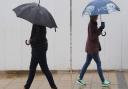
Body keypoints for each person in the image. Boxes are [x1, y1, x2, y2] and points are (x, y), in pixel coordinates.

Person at [76, 15, 110, 87]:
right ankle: (103, 81)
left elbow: (95, 34)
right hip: (93, 48)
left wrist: (100, 29)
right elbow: (92, 37)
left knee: (87, 63)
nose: (97, 17)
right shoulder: (91, 24)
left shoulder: (93, 23)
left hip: (90, 47)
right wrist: (101, 28)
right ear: (93, 17)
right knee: (98, 63)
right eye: (96, 16)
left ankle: (79, 79)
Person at [24, 24, 57, 89]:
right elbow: (37, 36)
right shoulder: (40, 23)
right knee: (33, 69)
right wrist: (31, 41)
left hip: (38, 50)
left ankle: (54, 87)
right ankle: (27, 86)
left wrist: (30, 41)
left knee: (44, 69)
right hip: (38, 49)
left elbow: (38, 37)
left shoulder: (38, 24)